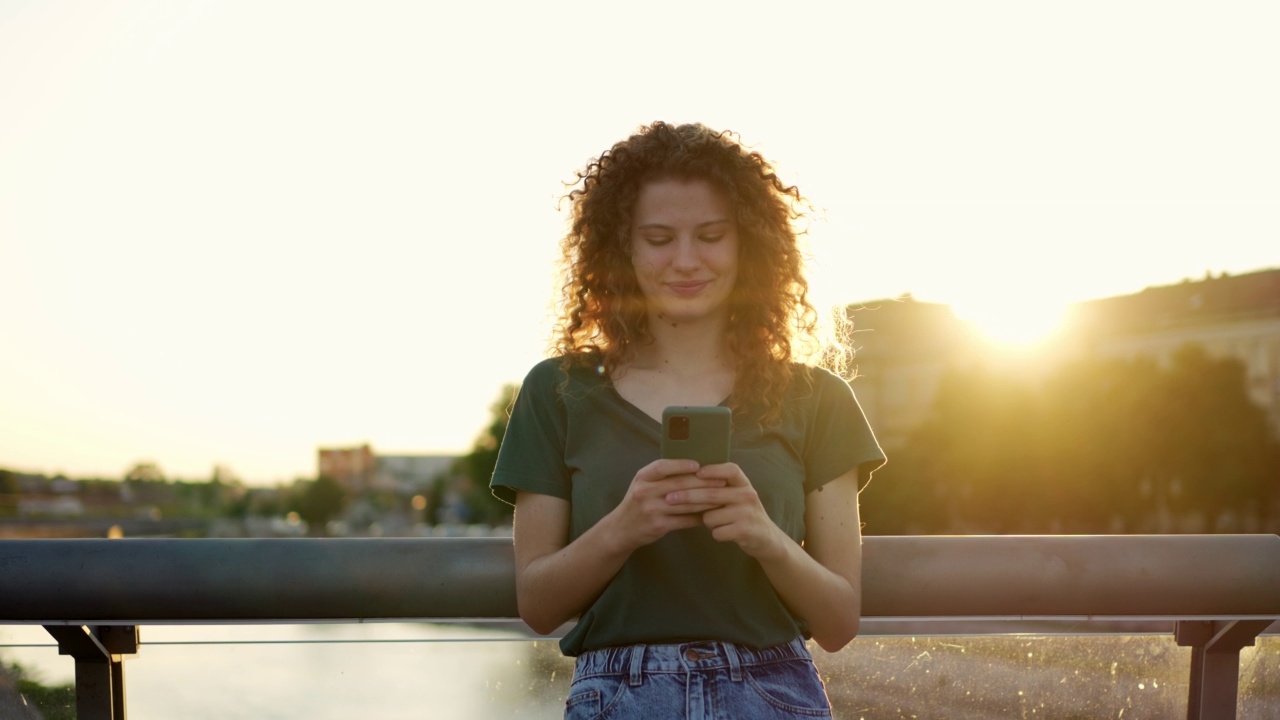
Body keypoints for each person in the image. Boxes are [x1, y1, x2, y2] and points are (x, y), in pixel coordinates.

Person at [490, 121, 885, 720]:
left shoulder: (818, 398)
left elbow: (838, 620)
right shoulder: (557, 390)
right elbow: (538, 605)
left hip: (773, 694)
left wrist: (764, 536)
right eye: (657, 237)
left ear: (747, 245)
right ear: (619, 247)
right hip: (617, 696)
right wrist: (624, 526)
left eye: (710, 235)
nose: (684, 260)